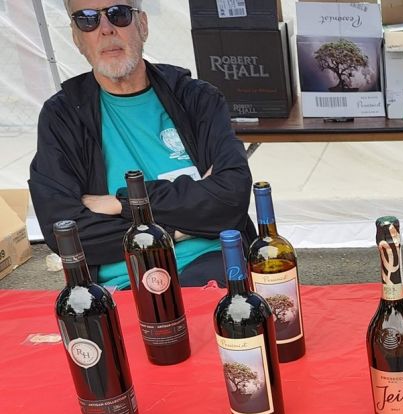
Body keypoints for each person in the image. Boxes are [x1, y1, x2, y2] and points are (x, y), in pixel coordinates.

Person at [29, 0, 254, 288]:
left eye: (119, 14)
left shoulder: (197, 99)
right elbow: (63, 231)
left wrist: (119, 203)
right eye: (87, 20)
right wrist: (174, 229)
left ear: (143, 25)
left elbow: (231, 198)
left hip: (210, 266)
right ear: (76, 37)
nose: (106, 29)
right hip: (121, 285)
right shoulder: (62, 116)